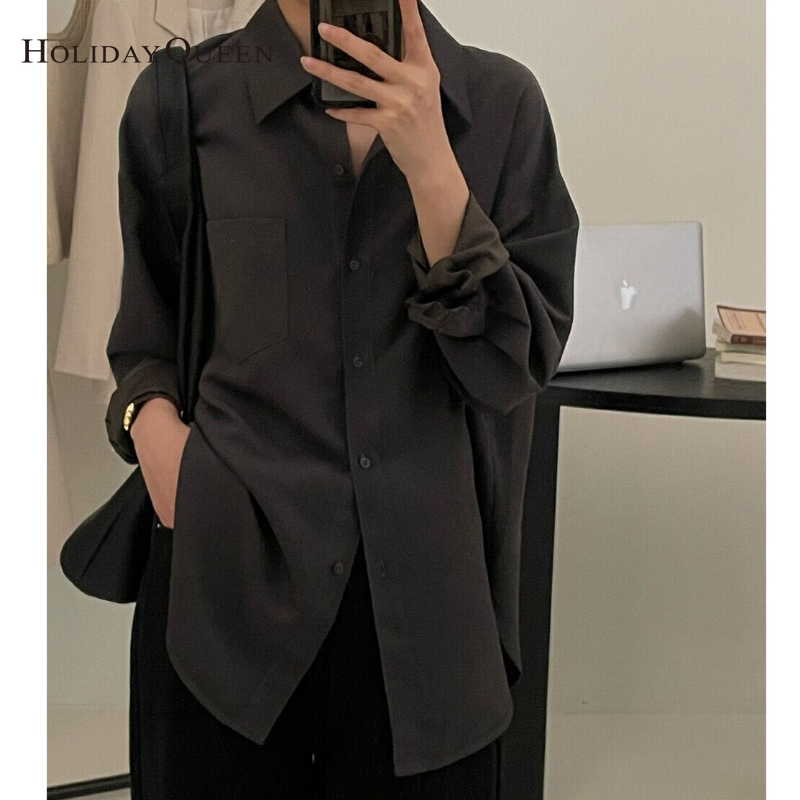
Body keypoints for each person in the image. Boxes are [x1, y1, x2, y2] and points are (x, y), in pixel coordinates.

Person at [106, 0, 579, 797]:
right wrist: (162, 449)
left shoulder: (501, 107)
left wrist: (432, 165)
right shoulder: (182, 99)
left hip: (431, 625)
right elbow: (144, 339)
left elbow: (512, 367)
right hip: (224, 596)